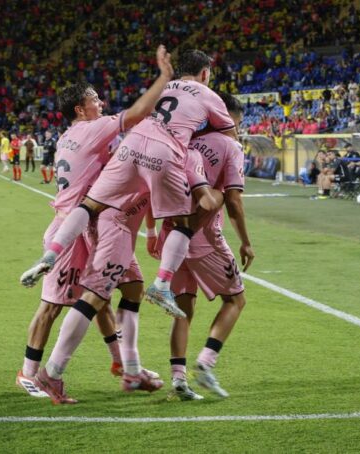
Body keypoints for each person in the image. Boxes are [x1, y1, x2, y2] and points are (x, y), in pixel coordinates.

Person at [24, 50, 237, 318]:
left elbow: (144, 112)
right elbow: (230, 137)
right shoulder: (208, 95)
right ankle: (162, 284)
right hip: (164, 155)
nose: (101, 102)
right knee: (182, 225)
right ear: (205, 73)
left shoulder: (162, 89)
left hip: (131, 147)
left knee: (89, 206)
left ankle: (51, 254)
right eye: (95, 99)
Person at [17, 44, 176, 404]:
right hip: (73, 228)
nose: (101, 103)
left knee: (118, 290)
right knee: (55, 305)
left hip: (91, 223)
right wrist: (164, 78)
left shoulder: (69, 136)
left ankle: (124, 364)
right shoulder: (91, 129)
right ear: (80, 109)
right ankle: (30, 373)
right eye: (94, 99)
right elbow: (137, 113)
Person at [150, 93, 253, 400]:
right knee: (235, 300)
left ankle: (179, 380)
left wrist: (152, 230)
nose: (238, 129)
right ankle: (206, 363)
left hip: (172, 235)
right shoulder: (231, 146)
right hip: (203, 238)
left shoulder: (185, 141)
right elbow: (233, 201)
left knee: (183, 310)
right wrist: (246, 242)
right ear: (229, 118)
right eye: (238, 123)